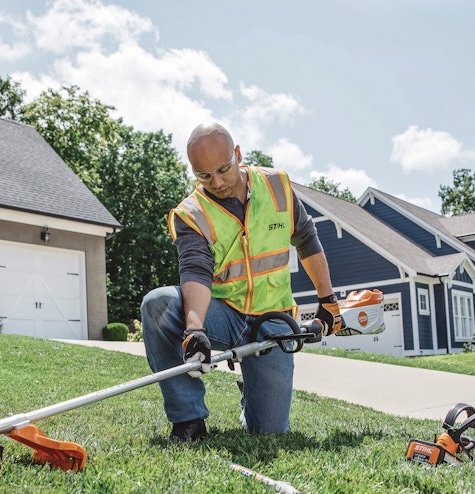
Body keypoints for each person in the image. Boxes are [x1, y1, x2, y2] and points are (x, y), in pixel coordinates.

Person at [140, 122, 342, 441]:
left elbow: (306, 240)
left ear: (237, 154)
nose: (217, 182)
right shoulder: (191, 214)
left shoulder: (277, 187)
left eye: (223, 169)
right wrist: (194, 329)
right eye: (205, 176)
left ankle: (252, 386)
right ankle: (188, 420)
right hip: (223, 314)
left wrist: (327, 301)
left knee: (270, 433)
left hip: (272, 320)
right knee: (157, 306)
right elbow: (196, 272)